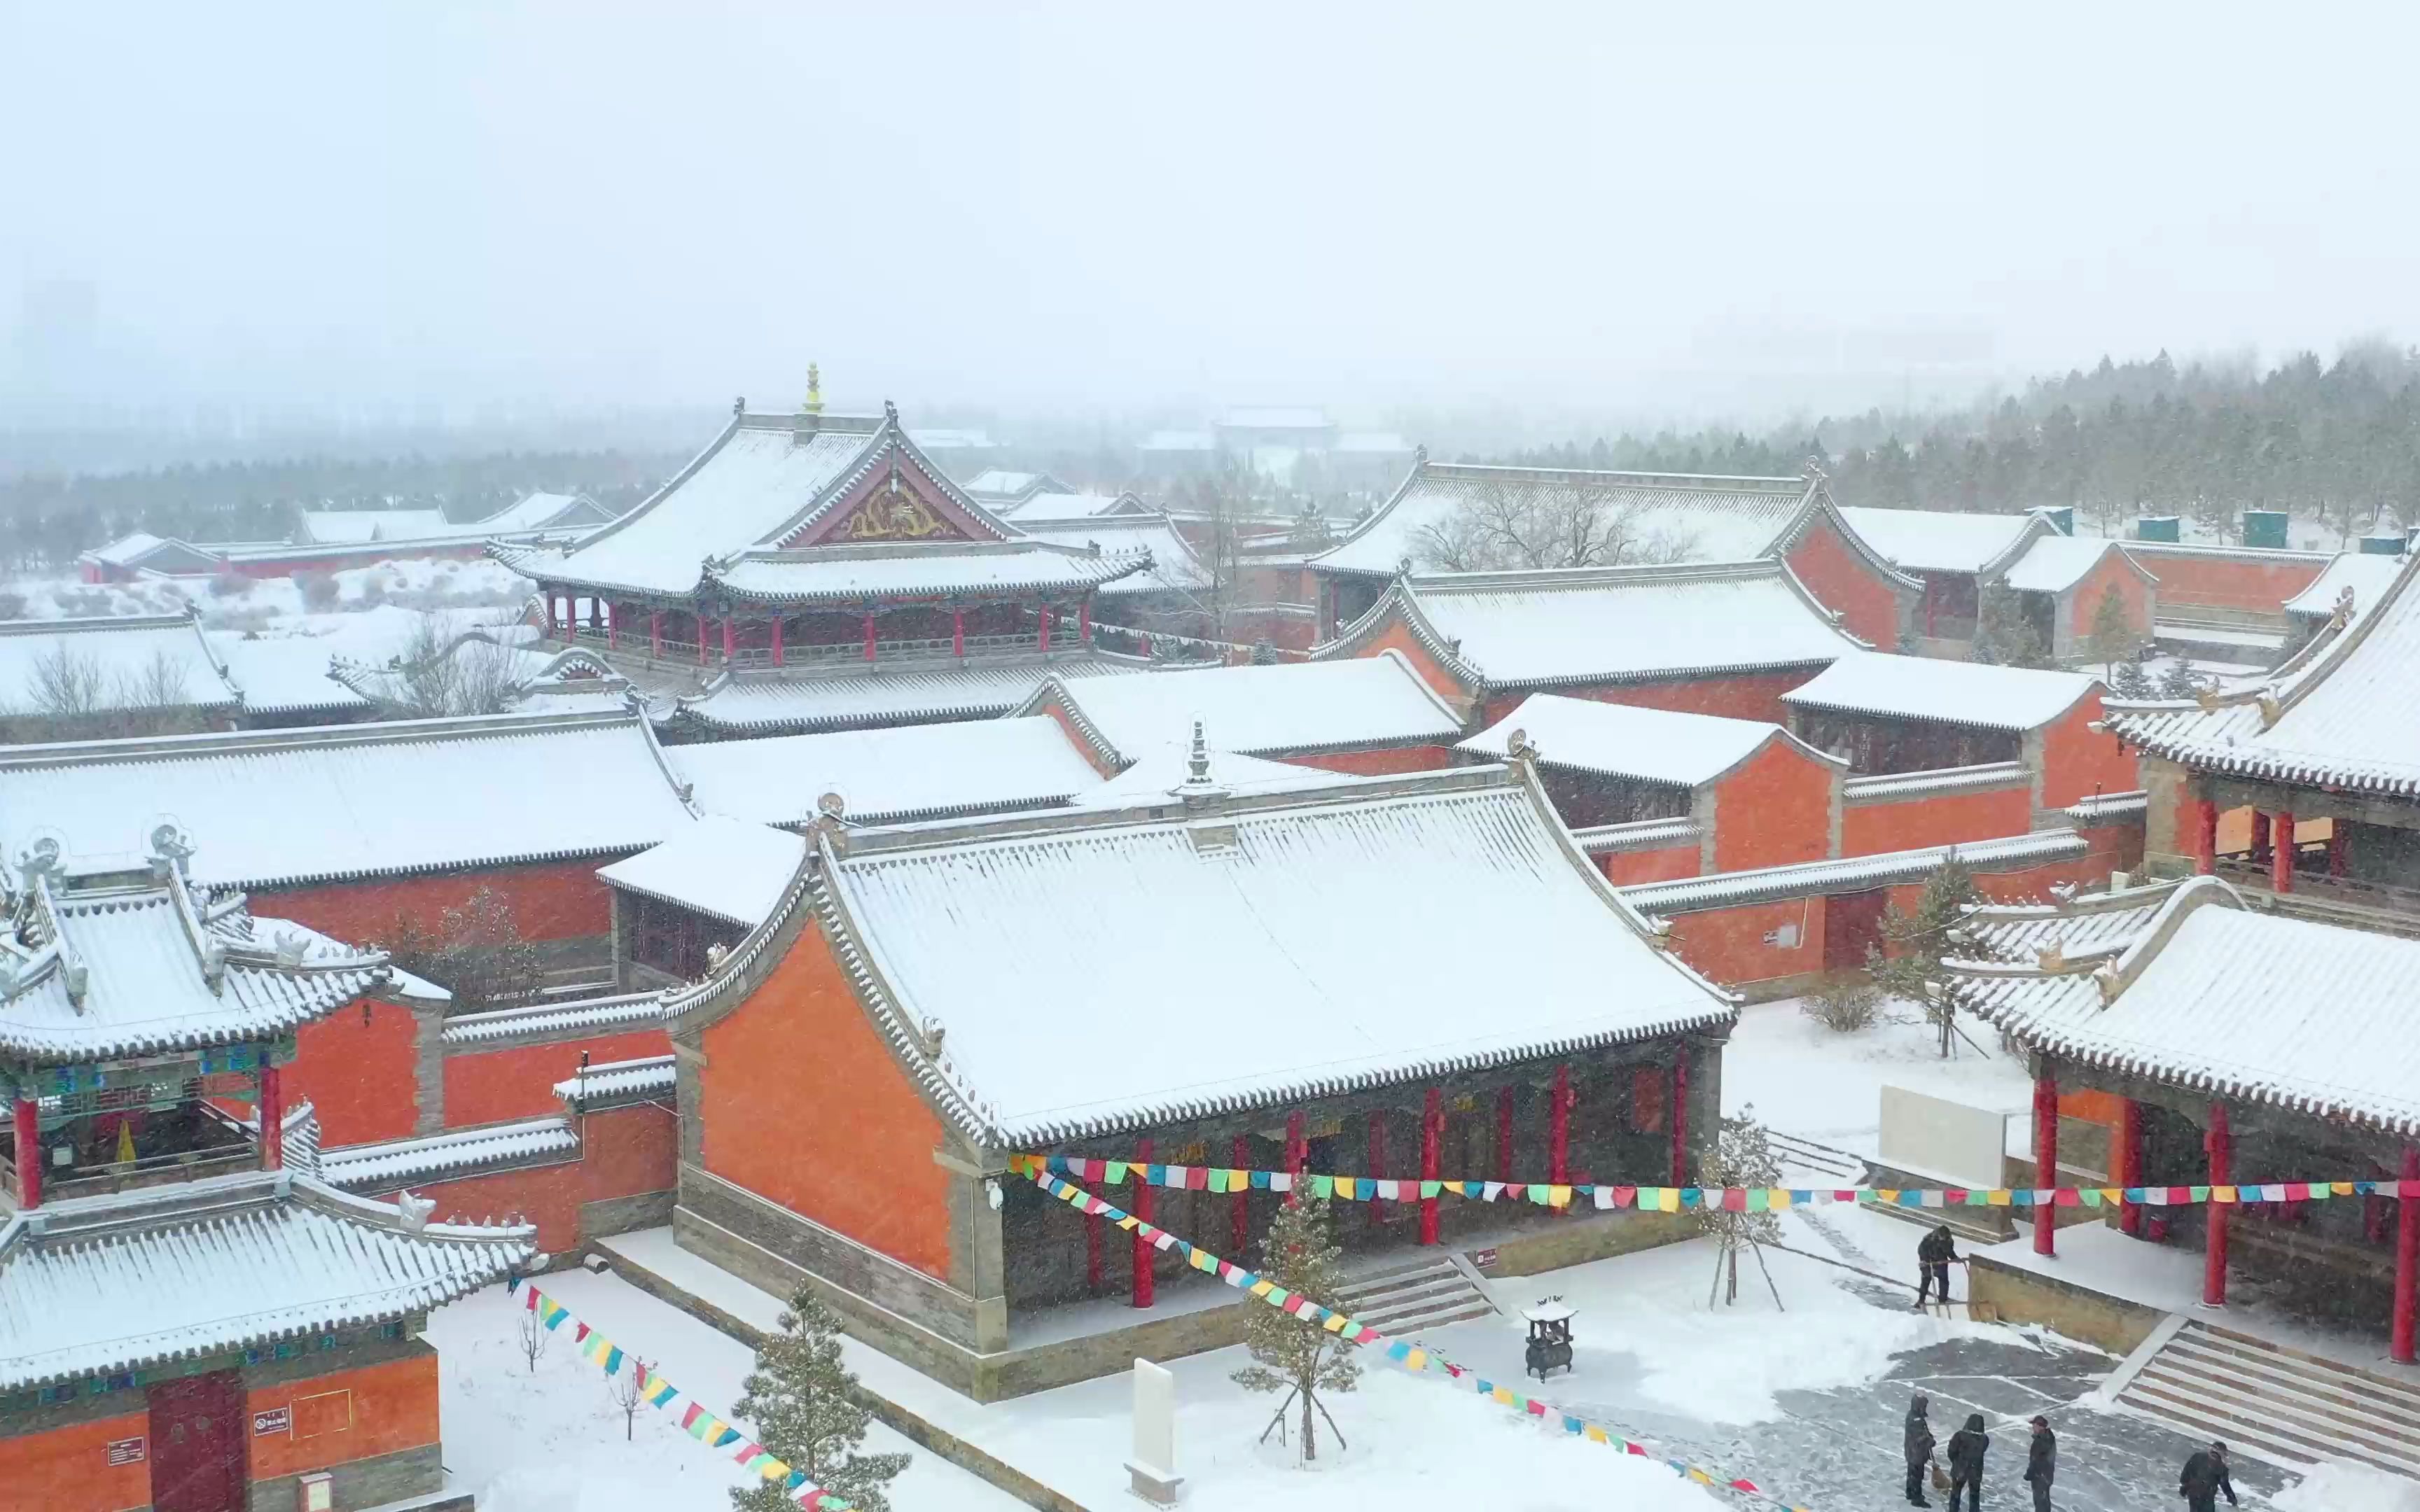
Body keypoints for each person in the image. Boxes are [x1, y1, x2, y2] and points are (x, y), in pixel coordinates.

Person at [1946, 1412, 1989, 1512]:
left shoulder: (1959, 1436)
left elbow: (1951, 1452)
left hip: (1960, 1468)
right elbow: (1983, 1450)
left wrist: (1956, 1462)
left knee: (1955, 1494)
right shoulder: (1984, 1439)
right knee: (1974, 1495)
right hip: (1976, 1471)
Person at [2181, 1441, 2237, 1511]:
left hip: (2193, 1493)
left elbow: (2185, 1473)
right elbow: (2225, 1485)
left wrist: (2185, 1486)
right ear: (2223, 1454)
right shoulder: (2221, 1468)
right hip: (2207, 1497)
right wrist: (2232, 1499)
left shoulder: (2197, 1457)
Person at [1903, 1392, 1937, 1506]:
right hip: (1916, 1453)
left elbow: (1924, 1433)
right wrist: (1930, 1442)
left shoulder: (1913, 1416)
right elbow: (1919, 1439)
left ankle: (1910, 1492)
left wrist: (1929, 1436)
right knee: (1917, 1476)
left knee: (1911, 1473)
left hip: (1911, 1452)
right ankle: (1917, 1499)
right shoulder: (1916, 1420)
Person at [1917, 1224, 1962, 1308]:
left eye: (1945, 1237)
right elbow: (1921, 1250)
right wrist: (1925, 1262)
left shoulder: (1949, 1241)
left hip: (1941, 1262)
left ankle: (1943, 1300)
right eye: (1942, 1237)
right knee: (1926, 1280)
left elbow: (1949, 1251)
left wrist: (1955, 1258)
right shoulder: (1929, 1239)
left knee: (1944, 1281)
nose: (1943, 1238)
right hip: (1928, 1262)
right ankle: (1921, 1301)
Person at [2022, 1414, 2056, 1511]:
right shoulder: (2049, 1438)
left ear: (2040, 1426)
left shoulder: (2041, 1442)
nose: (2033, 1427)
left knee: (2040, 1504)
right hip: (2046, 1477)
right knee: (2044, 1503)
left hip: (2040, 1478)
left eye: (2034, 1425)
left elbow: (2035, 1461)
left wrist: (2029, 1474)